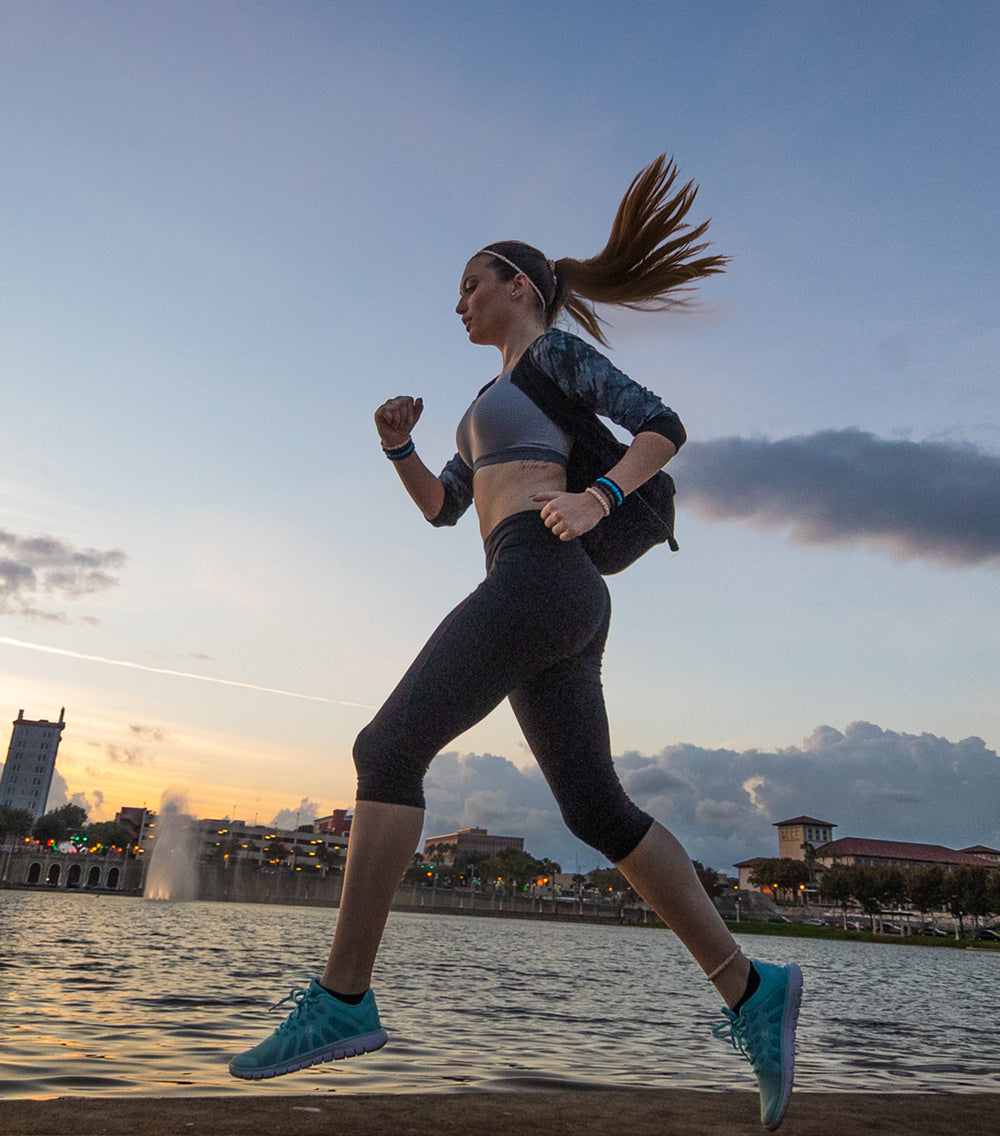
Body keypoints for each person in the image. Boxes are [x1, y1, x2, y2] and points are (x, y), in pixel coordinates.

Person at [229, 155, 802, 1131]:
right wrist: (399, 449)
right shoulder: (482, 400)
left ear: (519, 287)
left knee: (386, 749)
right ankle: (752, 991)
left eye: (470, 282)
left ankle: (342, 1000)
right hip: (540, 589)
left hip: (544, 571)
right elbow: (447, 509)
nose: (456, 299)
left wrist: (599, 493)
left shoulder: (550, 357)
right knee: (596, 811)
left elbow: (661, 426)